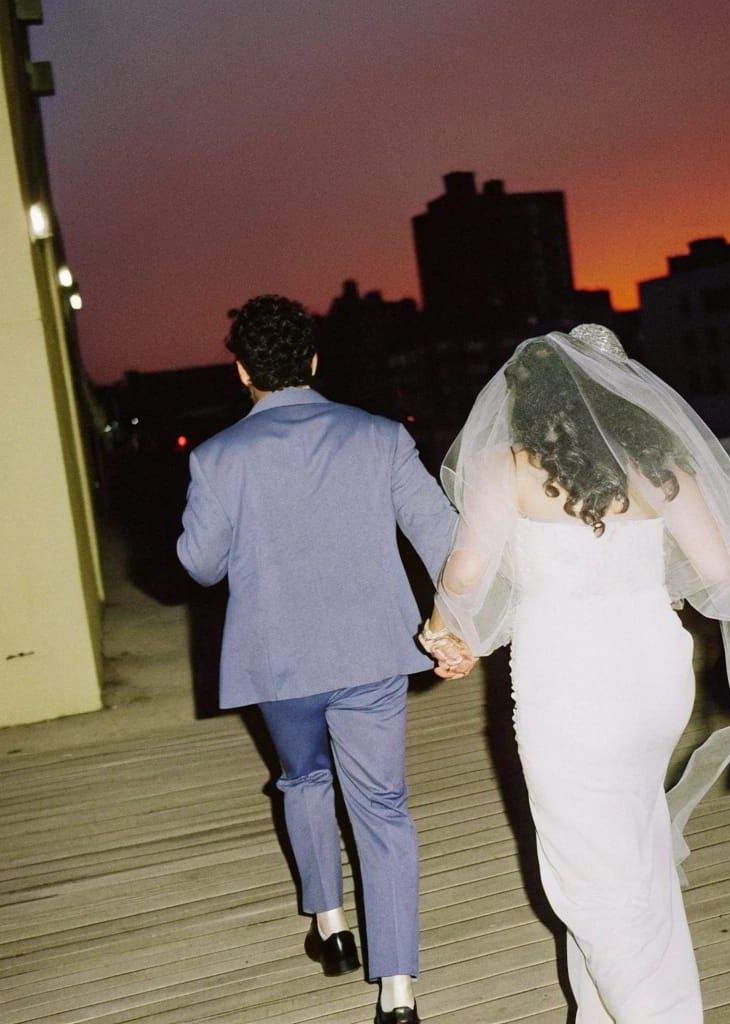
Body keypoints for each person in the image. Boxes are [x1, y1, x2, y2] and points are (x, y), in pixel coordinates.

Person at [423, 325, 730, 1022]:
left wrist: (444, 624)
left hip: (569, 687)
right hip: (655, 678)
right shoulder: (661, 466)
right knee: (634, 851)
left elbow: (469, 571)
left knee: (588, 876)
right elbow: (720, 571)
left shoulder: (506, 465)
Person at [177, 294, 471, 1024]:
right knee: (383, 809)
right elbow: (443, 538)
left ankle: (331, 926)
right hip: (373, 652)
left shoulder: (218, 459)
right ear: (313, 361)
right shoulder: (380, 437)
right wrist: (457, 625)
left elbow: (199, 565)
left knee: (302, 779)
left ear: (241, 371)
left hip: (278, 663)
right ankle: (398, 992)